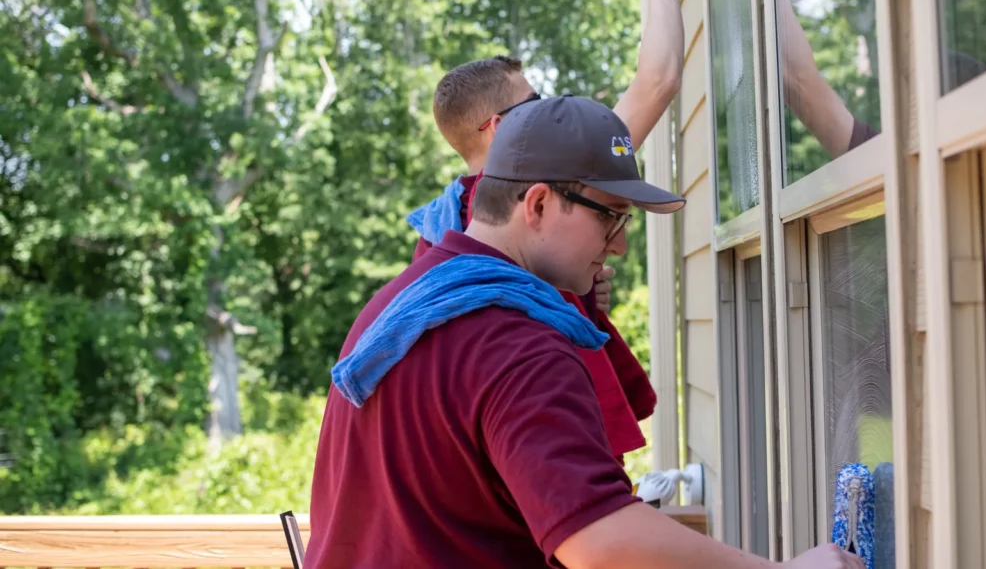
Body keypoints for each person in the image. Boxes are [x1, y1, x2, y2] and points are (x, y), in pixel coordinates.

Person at [305, 95, 863, 569]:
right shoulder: (514, 344)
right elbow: (597, 541)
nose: (619, 242)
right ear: (539, 203)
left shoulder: (405, 302)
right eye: (610, 215)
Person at [403, 0, 714, 468]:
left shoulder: (449, 234)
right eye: (533, 103)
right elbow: (658, 81)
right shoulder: (552, 178)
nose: (550, 111)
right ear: (497, 129)